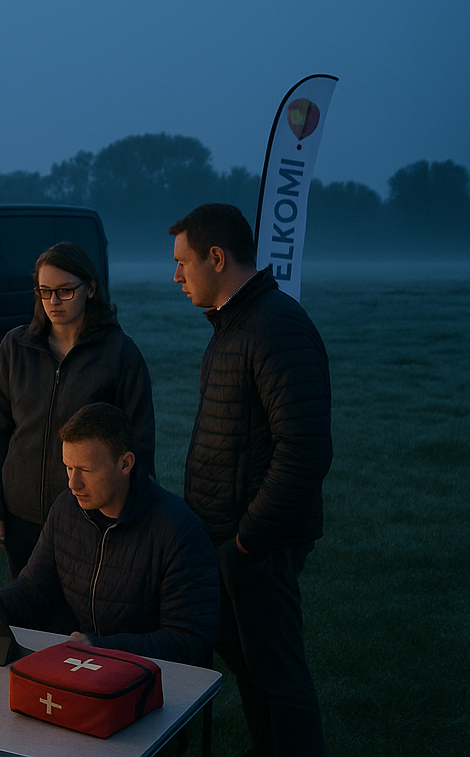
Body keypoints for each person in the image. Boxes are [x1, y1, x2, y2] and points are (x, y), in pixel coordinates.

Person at [170, 202, 331, 757]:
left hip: (257, 546)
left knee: (279, 680)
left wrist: (247, 540)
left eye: (182, 263)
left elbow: (305, 451)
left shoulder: (276, 326)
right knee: (255, 675)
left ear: (217, 257)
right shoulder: (232, 326)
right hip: (225, 543)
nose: (175, 276)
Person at [0, 241, 156, 579]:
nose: (53, 302)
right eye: (45, 292)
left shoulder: (119, 354)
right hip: (22, 515)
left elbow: (140, 443)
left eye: (64, 291)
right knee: (27, 615)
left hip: (89, 516)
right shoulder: (16, 347)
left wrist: (129, 517)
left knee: (79, 620)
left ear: (90, 288)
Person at [0, 403, 218, 666]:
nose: (73, 483)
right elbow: (34, 587)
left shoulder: (180, 532)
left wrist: (98, 647)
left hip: (156, 683)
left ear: (125, 463)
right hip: (88, 666)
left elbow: (189, 641)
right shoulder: (67, 509)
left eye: (85, 470)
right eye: (68, 467)